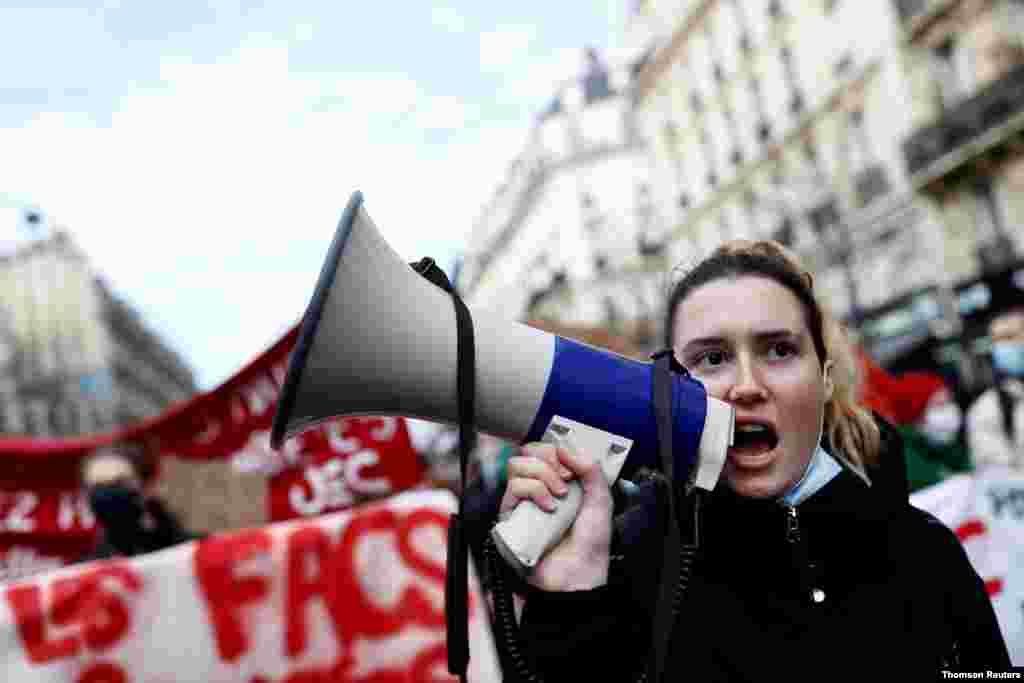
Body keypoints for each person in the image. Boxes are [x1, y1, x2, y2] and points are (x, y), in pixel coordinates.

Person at [494, 240, 1009, 680]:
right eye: (712, 358)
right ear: (672, 387)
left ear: (825, 377)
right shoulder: (632, 567)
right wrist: (569, 611)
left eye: (779, 350)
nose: (745, 385)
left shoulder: (927, 553)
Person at [77, 444, 199, 563]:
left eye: (119, 483)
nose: (106, 494)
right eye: (97, 487)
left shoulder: (194, 551)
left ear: (147, 487)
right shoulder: (85, 571)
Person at [888, 370, 972, 492]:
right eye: (940, 405)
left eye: (950, 401)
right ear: (917, 417)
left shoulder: (944, 443)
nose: (951, 410)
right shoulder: (904, 457)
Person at [966, 307, 1024, 471]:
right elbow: (999, 480)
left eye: (1010, 336)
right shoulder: (987, 410)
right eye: (997, 340)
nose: (1004, 346)